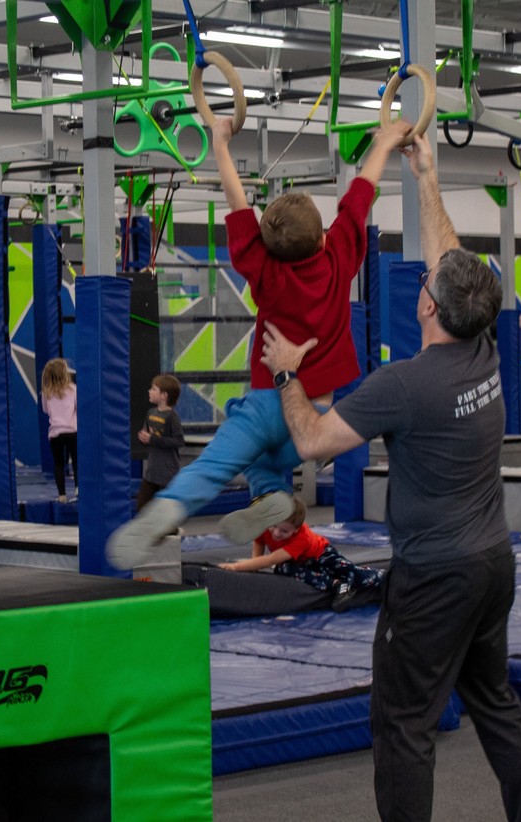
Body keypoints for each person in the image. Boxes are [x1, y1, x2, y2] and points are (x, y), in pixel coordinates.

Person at [259, 131, 521, 821]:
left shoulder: (405, 385)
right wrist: (425, 174)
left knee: (403, 727)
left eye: (427, 284)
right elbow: (449, 259)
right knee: (496, 705)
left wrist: (284, 369)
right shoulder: (485, 346)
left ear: (427, 308)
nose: (426, 280)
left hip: (434, 581)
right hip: (491, 564)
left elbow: (311, 440)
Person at [106, 116, 413, 571]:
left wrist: (222, 144)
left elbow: (237, 205)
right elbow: (359, 197)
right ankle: (274, 498)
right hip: (317, 418)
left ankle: (169, 508)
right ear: (324, 237)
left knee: (216, 464)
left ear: (265, 248)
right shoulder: (341, 255)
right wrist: (385, 141)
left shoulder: (264, 271)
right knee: (266, 465)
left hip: (269, 401)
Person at [218, 495, 383, 610]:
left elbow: (270, 560)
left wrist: (237, 567)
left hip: (321, 554)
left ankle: (382, 577)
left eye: (284, 532)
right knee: (283, 569)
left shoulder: (302, 537)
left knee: (348, 572)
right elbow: (259, 541)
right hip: (297, 562)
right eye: (274, 526)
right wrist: (253, 564)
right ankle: (337, 585)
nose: (276, 533)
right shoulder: (266, 524)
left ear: (296, 530)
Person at [136, 373, 185, 511]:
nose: (149, 391)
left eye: (153, 389)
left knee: (167, 509)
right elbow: (148, 435)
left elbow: (179, 441)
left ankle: (172, 530)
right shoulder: (151, 413)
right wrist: (144, 438)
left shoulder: (171, 417)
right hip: (152, 471)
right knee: (142, 506)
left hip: (167, 472)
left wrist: (153, 439)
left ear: (164, 395)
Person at [40, 357, 78, 503]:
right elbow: (77, 407)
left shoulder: (46, 393)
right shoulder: (73, 389)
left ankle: (62, 494)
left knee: (58, 463)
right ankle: (78, 488)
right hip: (72, 430)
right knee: (76, 461)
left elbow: (46, 410)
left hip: (56, 433)